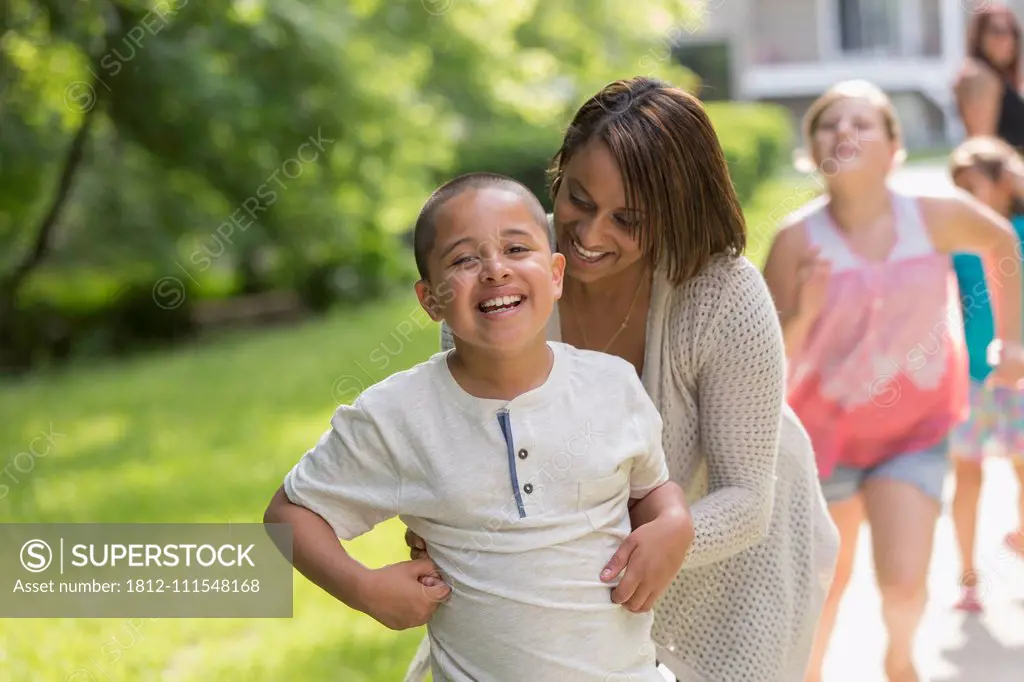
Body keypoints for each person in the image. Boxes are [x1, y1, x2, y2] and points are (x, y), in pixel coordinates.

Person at [406, 76, 841, 682]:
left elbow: (748, 499)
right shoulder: (497, 289)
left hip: (737, 552)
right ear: (559, 176)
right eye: (580, 201)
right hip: (583, 582)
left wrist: (665, 536)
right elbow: (479, 451)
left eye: (626, 219)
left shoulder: (723, 294)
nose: (589, 235)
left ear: (675, 214)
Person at [264, 171, 695, 682]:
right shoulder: (397, 415)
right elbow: (289, 515)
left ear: (556, 273)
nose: (494, 270)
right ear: (430, 300)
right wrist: (365, 589)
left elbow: (651, 489)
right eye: (464, 259)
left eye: (516, 249)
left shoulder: (612, 385)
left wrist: (674, 523)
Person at [763, 80, 1024, 682]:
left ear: (893, 145)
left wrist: (1009, 339)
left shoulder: (932, 217)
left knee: (903, 585)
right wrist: (802, 313)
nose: (844, 133)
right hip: (822, 442)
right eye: (829, 124)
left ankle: (899, 662)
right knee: (826, 586)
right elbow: (766, 361)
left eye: (862, 123)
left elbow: (1003, 241)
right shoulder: (796, 241)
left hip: (915, 430)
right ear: (812, 149)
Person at [947, 135, 1024, 613]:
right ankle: (967, 578)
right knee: (968, 477)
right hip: (969, 380)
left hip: (1017, 377)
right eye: (957, 186)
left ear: (1001, 183)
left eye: (972, 185)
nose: (963, 196)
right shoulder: (955, 241)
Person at [954, 3, 1024, 149]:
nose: (1006, 39)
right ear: (979, 36)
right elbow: (982, 146)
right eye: (997, 31)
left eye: (1013, 32)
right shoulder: (978, 76)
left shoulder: (1002, 78)